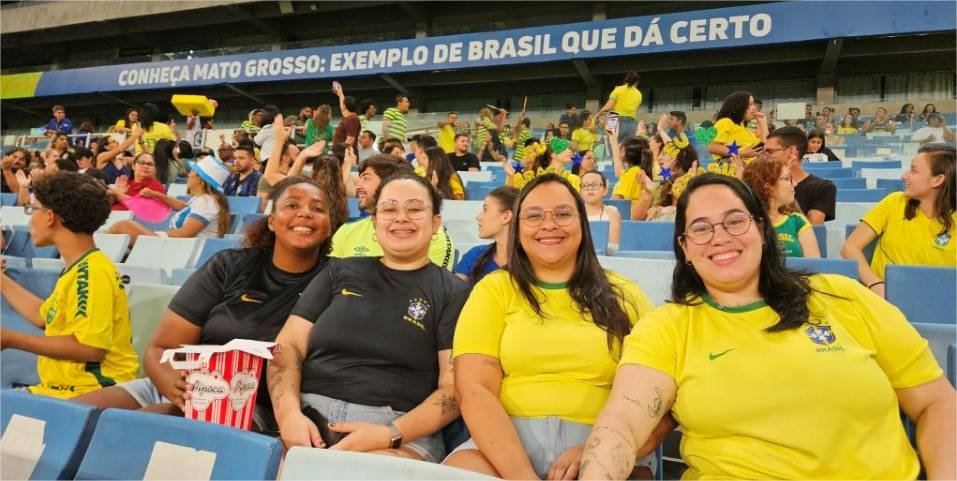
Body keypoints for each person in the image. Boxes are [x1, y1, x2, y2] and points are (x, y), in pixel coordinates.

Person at [578, 173, 956, 480]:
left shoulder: (843, 296)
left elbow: (937, 402)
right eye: (701, 229)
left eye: (735, 221)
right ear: (686, 249)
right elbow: (623, 424)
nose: (720, 236)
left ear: (762, 228)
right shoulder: (668, 327)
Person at [74, 177, 336, 431]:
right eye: (292, 205)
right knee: (73, 416)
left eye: (317, 208)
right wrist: (172, 384)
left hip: (249, 403)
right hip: (181, 383)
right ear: (271, 221)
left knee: (138, 427)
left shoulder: (338, 281)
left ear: (329, 226)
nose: (305, 213)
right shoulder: (228, 266)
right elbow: (160, 348)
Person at [444, 173, 658, 479]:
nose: (549, 225)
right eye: (533, 216)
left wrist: (599, 449)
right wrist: (522, 475)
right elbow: (474, 389)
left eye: (562, 214)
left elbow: (659, 395)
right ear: (516, 229)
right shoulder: (494, 289)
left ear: (582, 224)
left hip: (603, 444)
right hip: (501, 444)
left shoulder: (624, 294)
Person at [267, 173, 469, 462]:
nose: (401, 218)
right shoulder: (340, 271)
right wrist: (288, 416)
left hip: (397, 431)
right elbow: (288, 346)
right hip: (307, 419)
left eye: (414, 209)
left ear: (435, 223)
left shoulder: (452, 292)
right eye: (389, 209)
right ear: (375, 222)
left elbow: (453, 388)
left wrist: (390, 433)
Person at [0, 172, 138, 398]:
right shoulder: (79, 268)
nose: (29, 219)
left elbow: (90, 349)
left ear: (50, 216)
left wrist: (9, 339)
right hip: (58, 390)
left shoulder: (92, 272)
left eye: (33, 209)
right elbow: (43, 315)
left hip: (88, 391)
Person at [842, 145, 956, 296]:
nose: (904, 176)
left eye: (914, 170)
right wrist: (875, 284)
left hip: (941, 303)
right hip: (885, 301)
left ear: (938, 180)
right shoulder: (893, 202)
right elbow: (849, 248)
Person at [332, 154, 455, 270]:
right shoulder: (346, 232)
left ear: (392, 182)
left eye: (366, 178)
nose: (358, 186)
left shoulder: (435, 236)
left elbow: (431, 285)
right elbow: (333, 282)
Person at [107, 155, 231, 244]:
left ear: (200, 179)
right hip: (177, 245)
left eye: (192, 172)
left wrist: (159, 235)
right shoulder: (203, 200)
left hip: (181, 248)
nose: (188, 175)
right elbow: (183, 207)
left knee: (123, 226)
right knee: (122, 228)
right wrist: (156, 194)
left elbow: (187, 233)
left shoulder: (206, 202)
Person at [742, 157, 821, 258]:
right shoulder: (744, 224)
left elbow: (813, 266)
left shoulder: (797, 220)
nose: (795, 184)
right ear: (767, 187)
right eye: (787, 178)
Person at [766, 126, 836, 225]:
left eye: (769, 152)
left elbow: (811, 232)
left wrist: (786, 189)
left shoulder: (822, 187)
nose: (764, 157)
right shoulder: (762, 183)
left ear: (792, 151)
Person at [454, 186, 517, 283]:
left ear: (506, 216)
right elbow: (454, 295)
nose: (478, 217)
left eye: (485, 209)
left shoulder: (534, 264)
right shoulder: (475, 254)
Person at [707, 91, 767, 178]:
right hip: (729, 174)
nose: (754, 108)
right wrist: (739, 152)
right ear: (739, 106)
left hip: (748, 174)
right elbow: (711, 146)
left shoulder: (746, 130)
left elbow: (763, 147)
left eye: (753, 105)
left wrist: (763, 123)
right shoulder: (725, 122)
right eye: (750, 104)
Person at [506, 138, 581, 191]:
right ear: (552, 155)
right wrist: (512, 176)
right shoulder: (534, 176)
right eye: (564, 149)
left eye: (568, 148)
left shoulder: (573, 179)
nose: (569, 151)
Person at [609, 136, 656, 220]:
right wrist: (613, 140)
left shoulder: (633, 173)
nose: (620, 148)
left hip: (625, 221)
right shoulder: (635, 171)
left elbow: (621, 203)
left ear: (628, 152)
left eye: (622, 147)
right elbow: (619, 172)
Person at [597, 72, 642, 145]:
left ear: (625, 81)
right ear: (636, 82)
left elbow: (608, 107)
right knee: (629, 148)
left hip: (614, 117)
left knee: (611, 145)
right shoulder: (639, 94)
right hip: (632, 121)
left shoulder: (618, 90)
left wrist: (597, 115)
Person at [581, 171, 621, 254]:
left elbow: (613, 246)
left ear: (605, 190)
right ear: (580, 192)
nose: (589, 188)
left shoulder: (612, 213)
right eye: (585, 185)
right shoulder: (574, 213)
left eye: (595, 185)